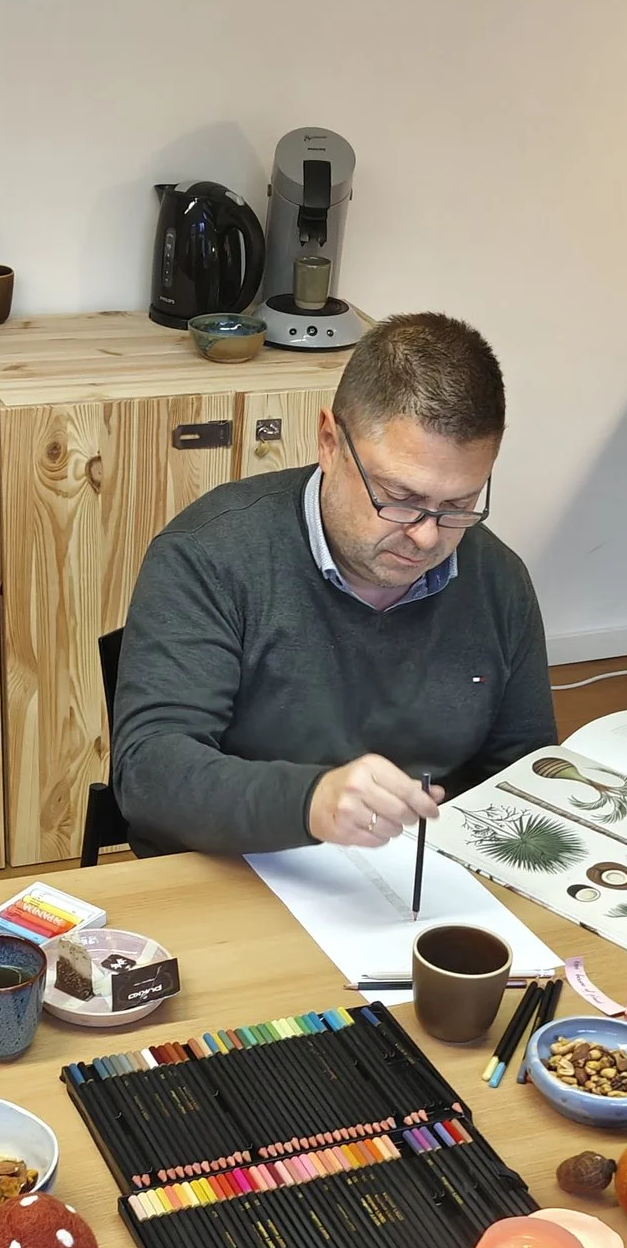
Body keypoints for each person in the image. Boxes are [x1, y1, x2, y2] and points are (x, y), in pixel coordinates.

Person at [110, 311, 555, 856]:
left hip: (420, 874)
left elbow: (524, 774)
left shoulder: (498, 580)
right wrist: (311, 803)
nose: (426, 535)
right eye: (400, 498)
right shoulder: (210, 556)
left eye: (459, 505)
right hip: (237, 866)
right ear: (329, 442)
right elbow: (149, 774)